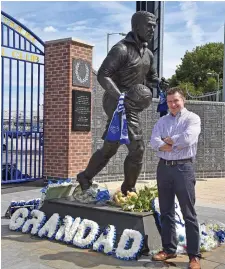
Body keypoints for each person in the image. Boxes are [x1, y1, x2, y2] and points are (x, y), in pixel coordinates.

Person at [77, 11, 168, 195]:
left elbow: (151, 78)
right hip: (115, 101)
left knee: (110, 148)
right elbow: (103, 75)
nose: (152, 29)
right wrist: (120, 98)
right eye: (148, 25)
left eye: (154, 26)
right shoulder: (121, 49)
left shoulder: (148, 54)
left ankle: (85, 176)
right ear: (136, 27)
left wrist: (159, 83)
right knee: (138, 147)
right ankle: (129, 190)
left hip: (131, 103)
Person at [150, 87, 201, 269]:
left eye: (176, 101)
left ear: (183, 100)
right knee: (166, 211)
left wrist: (167, 141)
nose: (172, 104)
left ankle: (194, 256)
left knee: (189, 214)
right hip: (163, 168)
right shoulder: (162, 121)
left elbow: (188, 139)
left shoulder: (193, 119)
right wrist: (170, 143)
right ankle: (169, 249)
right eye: (170, 101)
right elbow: (153, 142)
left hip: (183, 168)